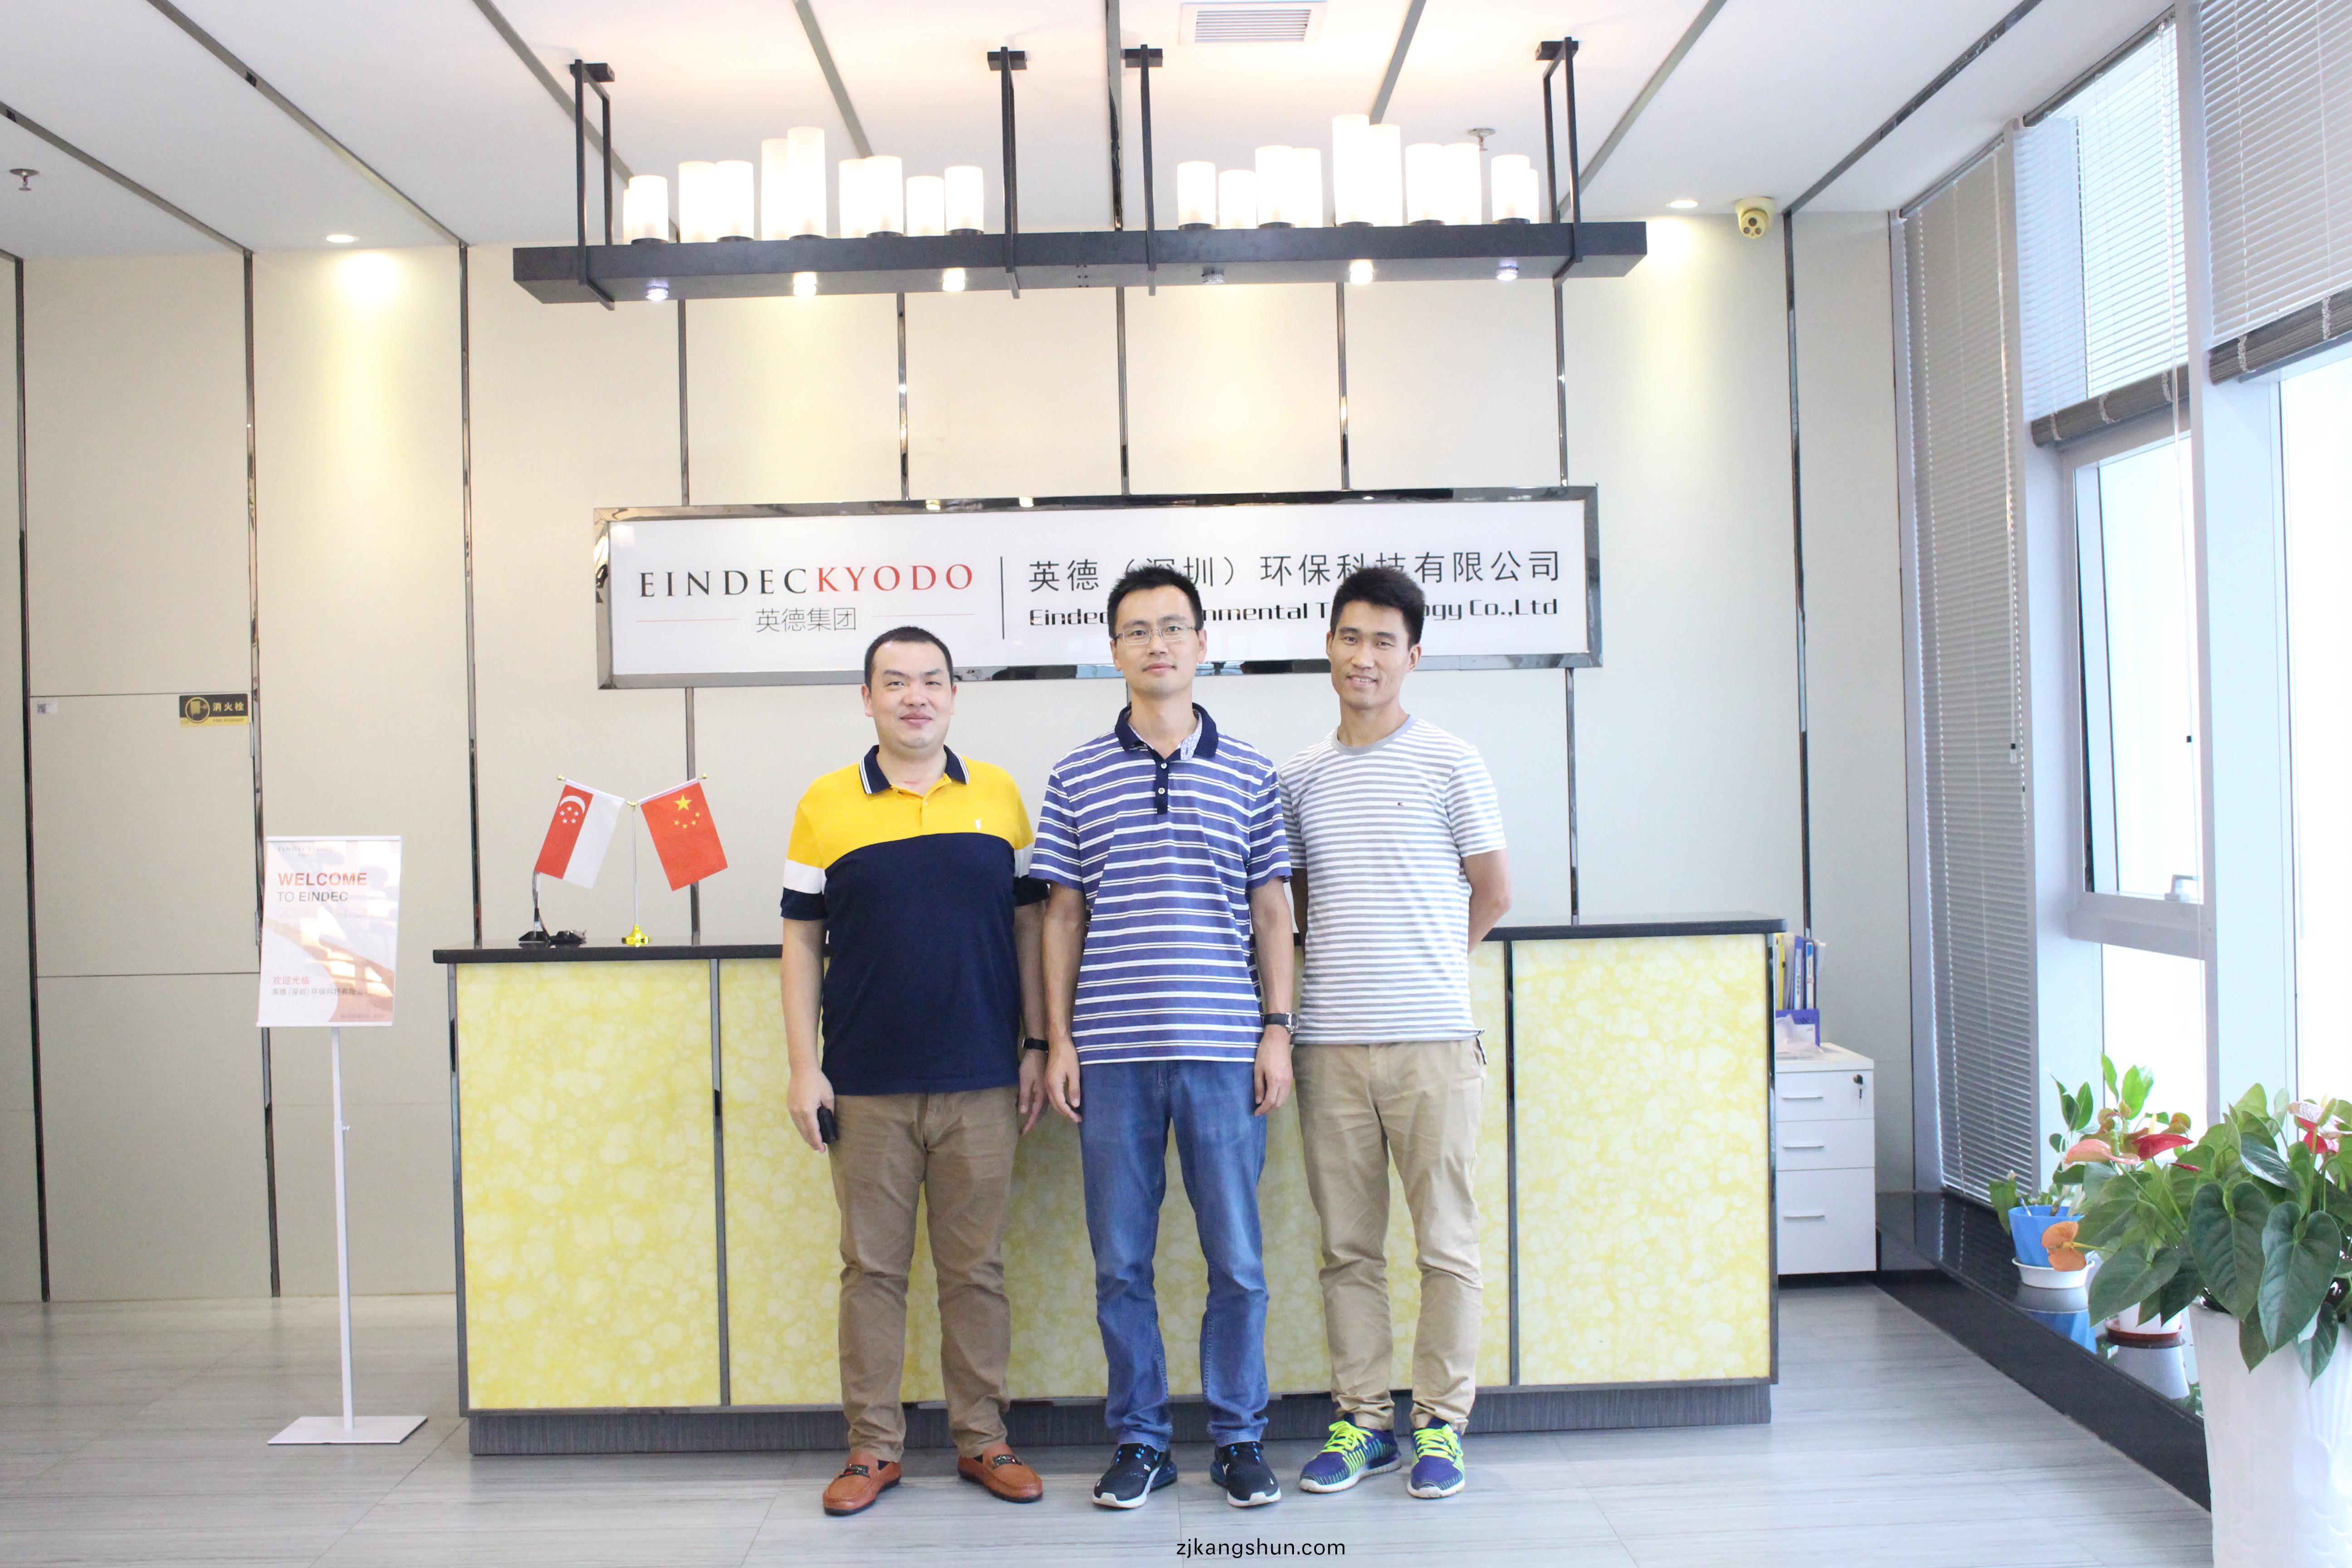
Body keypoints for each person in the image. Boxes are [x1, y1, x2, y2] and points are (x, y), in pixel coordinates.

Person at [1034, 565, 1296, 1512]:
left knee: (1239, 1262)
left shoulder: (1252, 771)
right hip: (1111, 1054)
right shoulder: (1074, 774)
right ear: (1114, 650)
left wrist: (1277, 1029)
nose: (1157, 644)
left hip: (1226, 1050)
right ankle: (1140, 1441)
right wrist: (1058, 1041)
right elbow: (1062, 916)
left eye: (1173, 627)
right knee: (1120, 1263)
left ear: (1201, 644)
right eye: (1138, 630)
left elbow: (1273, 911)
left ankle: (1238, 1439)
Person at [780, 626, 1053, 1518]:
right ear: (867, 699)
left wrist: (1038, 1044)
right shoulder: (824, 803)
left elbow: (1029, 929)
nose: (915, 697)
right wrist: (805, 1068)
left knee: (977, 1272)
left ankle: (984, 1439)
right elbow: (801, 942)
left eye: (932, 680)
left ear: (954, 695)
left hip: (982, 1079)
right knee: (871, 1272)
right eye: (895, 682)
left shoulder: (999, 797)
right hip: (864, 1083)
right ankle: (872, 1449)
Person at [1279, 566, 1512, 1501]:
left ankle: (1442, 1425)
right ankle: (1363, 1422)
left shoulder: (1452, 761)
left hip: (1434, 1045)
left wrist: (1427, 965)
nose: (1364, 656)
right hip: (1330, 1046)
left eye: (1384, 641)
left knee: (1446, 1244)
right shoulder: (1298, 778)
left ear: (1412, 656)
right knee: (1348, 1248)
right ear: (1328, 649)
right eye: (1350, 637)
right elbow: (1293, 908)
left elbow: (1494, 891)